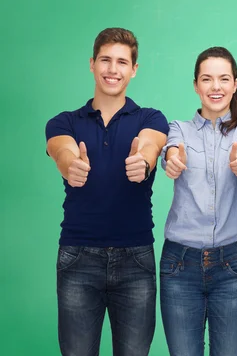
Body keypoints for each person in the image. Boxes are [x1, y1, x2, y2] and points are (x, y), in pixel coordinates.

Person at [45, 27, 168, 356]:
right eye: (105, 60)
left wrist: (143, 160)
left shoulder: (150, 117)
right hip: (78, 258)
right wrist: (71, 165)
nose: (113, 69)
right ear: (92, 64)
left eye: (122, 62)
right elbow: (61, 151)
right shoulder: (65, 122)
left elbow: (151, 145)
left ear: (134, 69)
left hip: (136, 260)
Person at [159, 47, 237, 356]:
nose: (215, 87)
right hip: (180, 264)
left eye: (223, 79)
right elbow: (171, 151)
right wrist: (173, 160)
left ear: (235, 84)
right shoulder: (179, 128)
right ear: (195, 85)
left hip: (233, 263)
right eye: (207, 79)